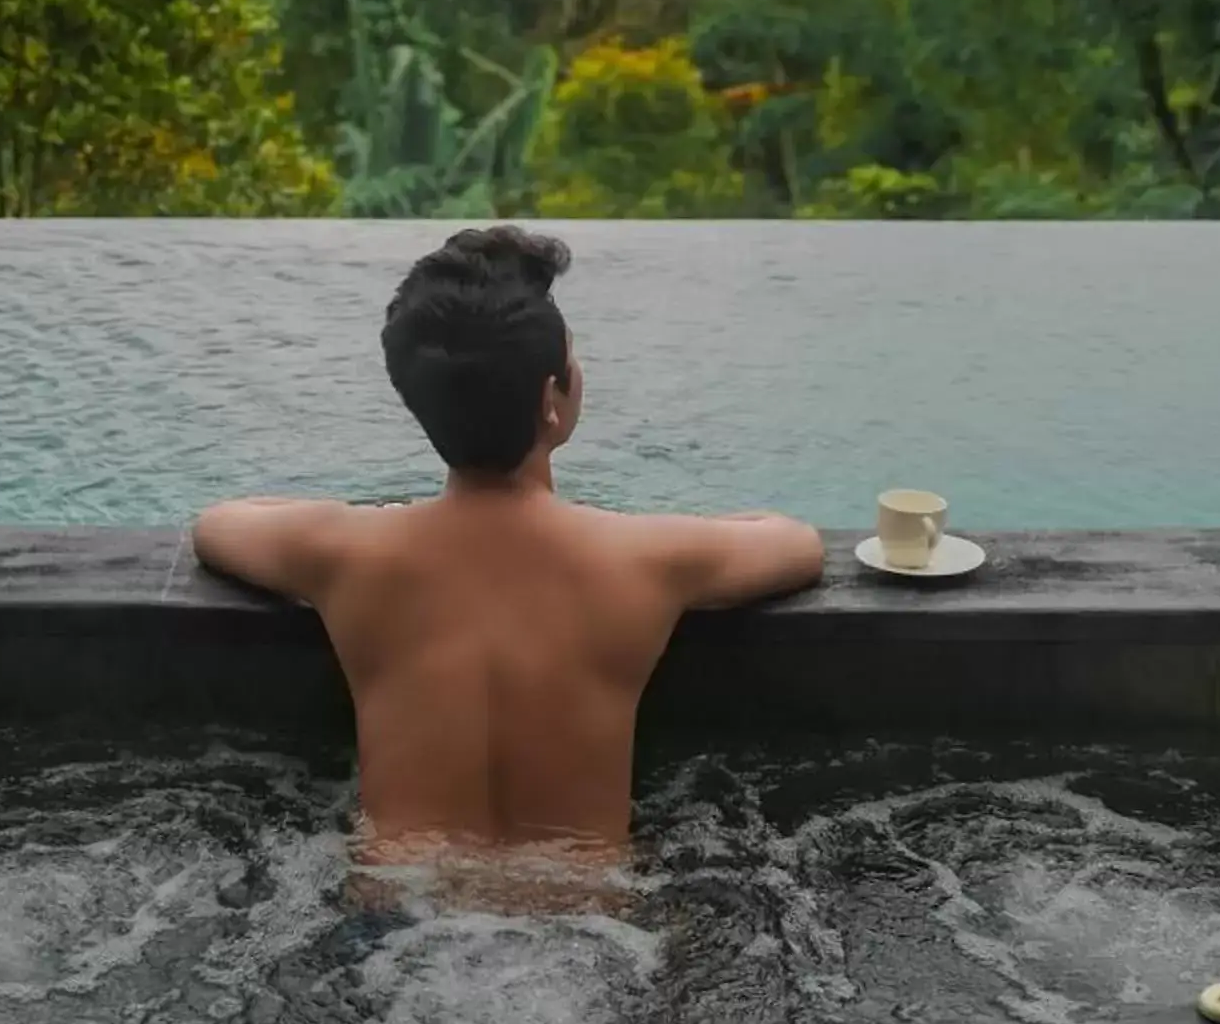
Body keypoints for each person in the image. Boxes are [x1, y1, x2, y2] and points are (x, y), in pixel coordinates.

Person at [191, 225, 825, 874]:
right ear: (554, 398)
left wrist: (373, 518)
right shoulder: (646, 557)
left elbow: (219, 524)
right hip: (583, 920)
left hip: (397, 911)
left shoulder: (344, 552)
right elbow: (796, 543)